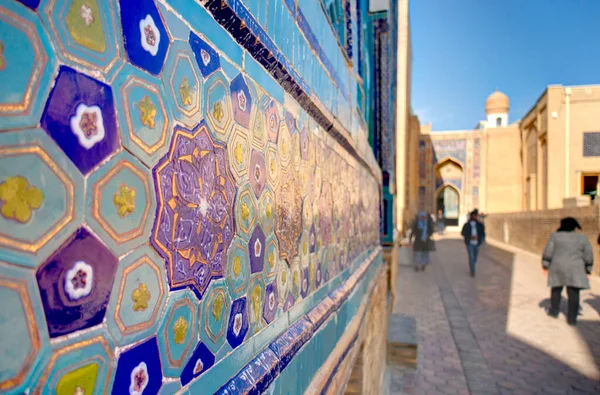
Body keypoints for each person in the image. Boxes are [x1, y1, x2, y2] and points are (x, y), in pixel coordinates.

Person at [542, 217, 593, 326]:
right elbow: (588, 255)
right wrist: (588, 269)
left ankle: (554, 312)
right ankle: (572, 318)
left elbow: (548, 252)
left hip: (558, 267)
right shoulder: (582, 238)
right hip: (576, 268)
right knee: (573, 293)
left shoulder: (555, 237)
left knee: (556, 289)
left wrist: (545, 265)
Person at [461, 209, 485, 277]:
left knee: (475, 258)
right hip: (470, 244)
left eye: (476, 216)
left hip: (477, 243)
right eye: (474, 216)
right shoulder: (467, 225)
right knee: (471, 257)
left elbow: (482, 233)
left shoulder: (480, 225)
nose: (475, 217)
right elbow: (463, 233)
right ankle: (472, 271)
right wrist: (469, 237)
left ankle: (472, 265)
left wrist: (481, 240)